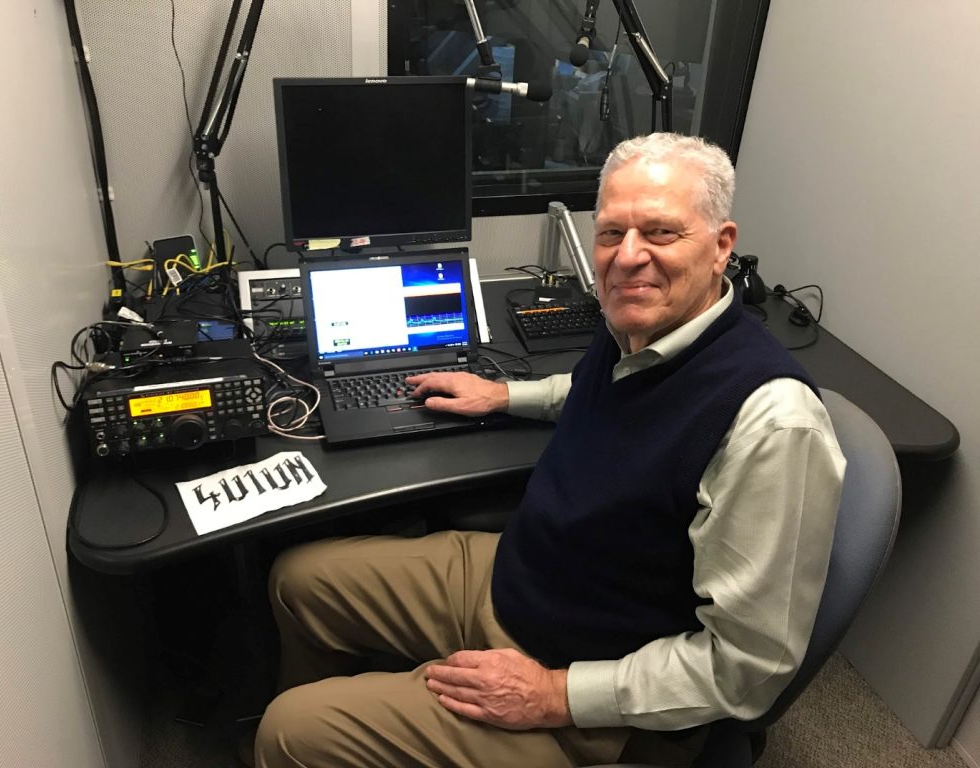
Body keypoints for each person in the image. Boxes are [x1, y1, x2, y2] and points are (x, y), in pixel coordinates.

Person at [254, 133, 846, 767]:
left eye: (661, 233)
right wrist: (502, 394)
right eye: (613, 234)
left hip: (594, 692)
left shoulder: (772, 425)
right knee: (299, 581)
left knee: (287, 733)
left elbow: (748, 671)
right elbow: (600, 391)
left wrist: (552, 695)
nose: (628, 257)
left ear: (721, 246)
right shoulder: (636, 330)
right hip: (524, 576)